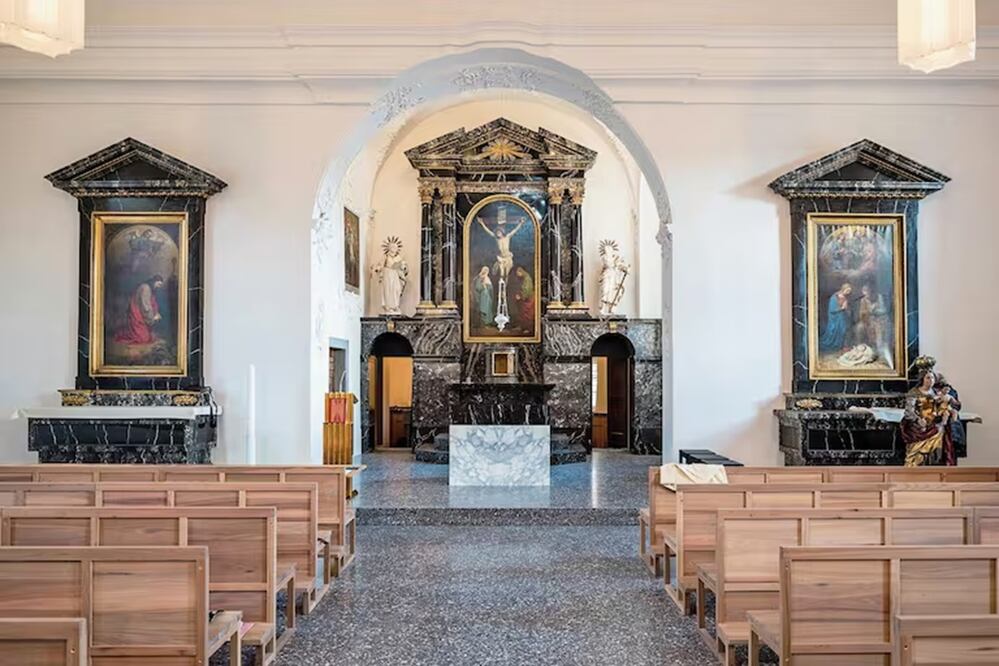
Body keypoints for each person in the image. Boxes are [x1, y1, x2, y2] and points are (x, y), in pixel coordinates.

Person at [900, 370, 957, 466]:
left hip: (934, 423)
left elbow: (944, 404)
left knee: (940, 433)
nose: (931, 380)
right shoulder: (914, 392)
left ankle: (933, 464)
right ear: (922, 379)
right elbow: (909, 411)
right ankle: (913, 464)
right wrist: (918, 419)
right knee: (916, 451)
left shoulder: (936, 392)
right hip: (917, 424)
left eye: (933, 378)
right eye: (928, 378)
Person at [476, 210, 527, 281]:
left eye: (499, 232)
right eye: (497, 232)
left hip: (508, 258)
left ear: (502, 232)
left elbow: (515, 230)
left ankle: (505, 289)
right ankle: (501, 289)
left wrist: (521, 223)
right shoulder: (496, 239)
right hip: (501, 258)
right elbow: (488, 231)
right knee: (501, 274)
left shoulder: (507, 237)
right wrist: (482, 223)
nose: (498, 233)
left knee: (507, 274)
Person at [114, 275, 164, 345]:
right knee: (144, 339)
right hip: (137, 314)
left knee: (148, 337)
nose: (159, 286)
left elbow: (152, 303)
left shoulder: (150, 289)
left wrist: (156, 313)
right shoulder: (145, 288)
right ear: (154, 281)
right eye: (159, 284)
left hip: (142, 313)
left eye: (160, 285)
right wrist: (153, 318)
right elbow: (145, 307)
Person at [819, 283, 852, 352]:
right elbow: (832, 310)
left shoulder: (845, 297)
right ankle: (837, 346)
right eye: (847, 291)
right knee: (841, 329)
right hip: (835, 318)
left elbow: (847, 309)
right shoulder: (834, 297)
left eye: (849, 291)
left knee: (844, 329)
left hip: (842, 317)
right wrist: (842, 308)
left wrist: (847, 309)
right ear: (843, 289)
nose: (848, 293)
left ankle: (842, 346)